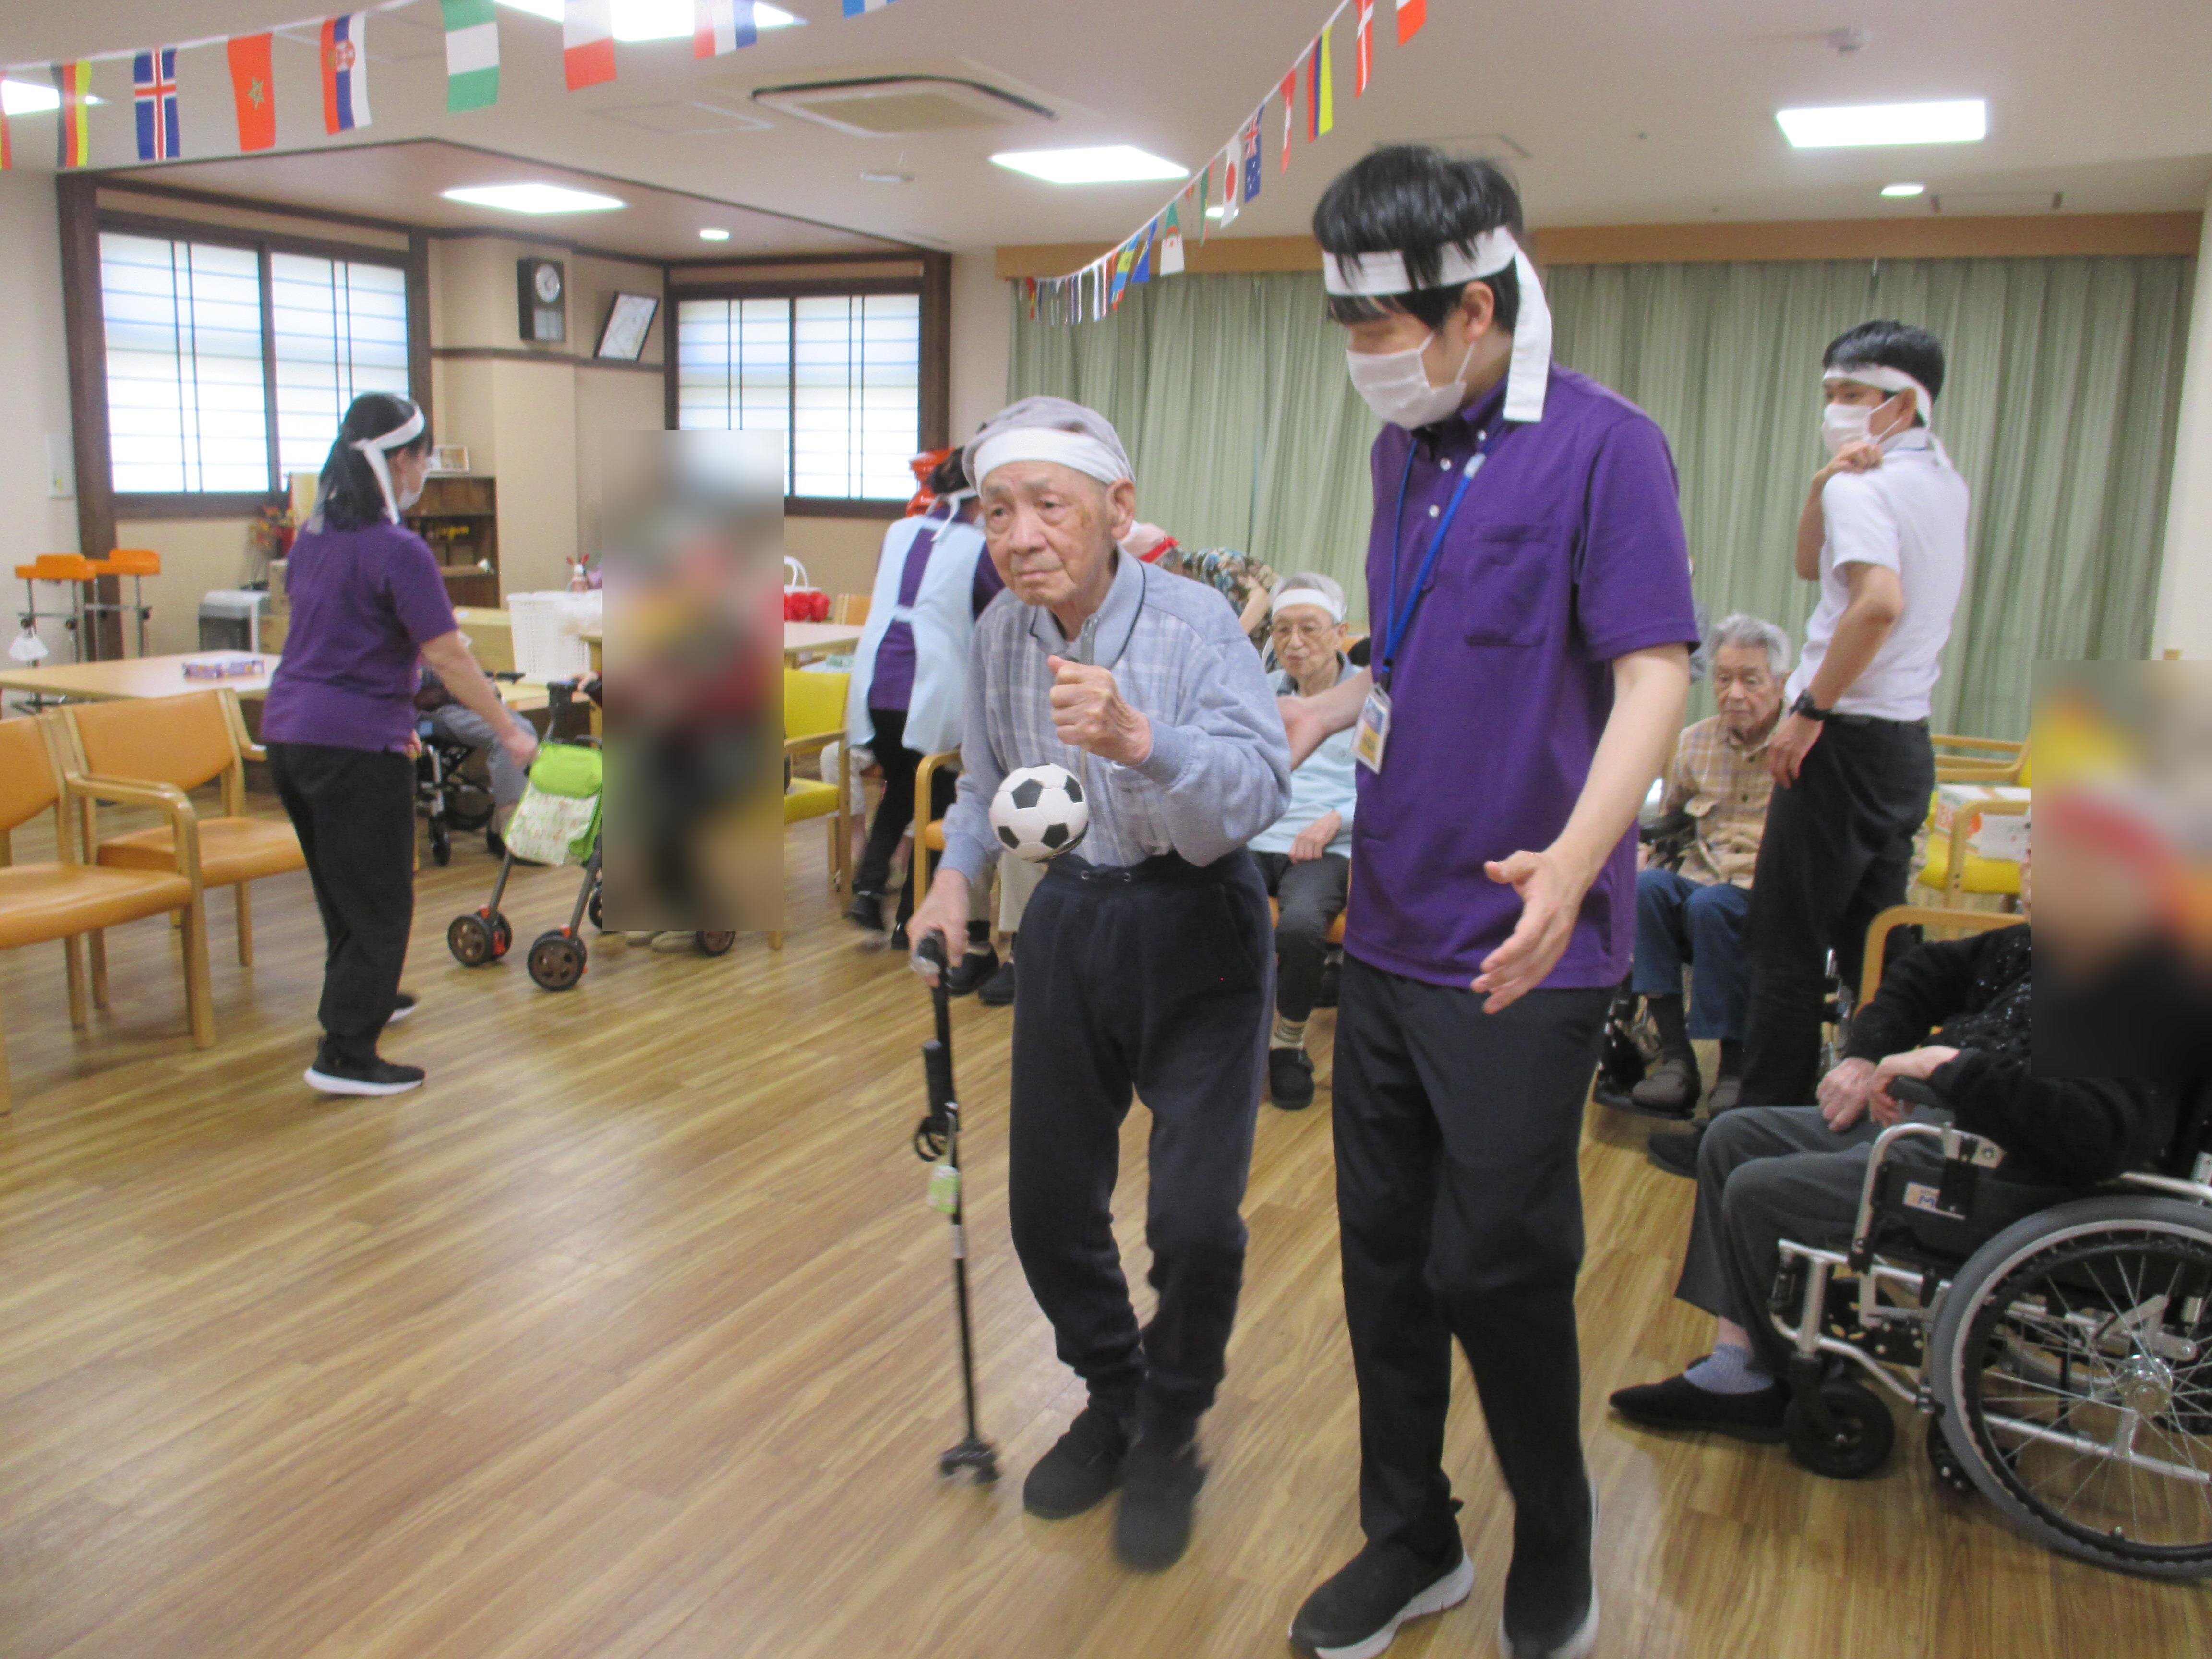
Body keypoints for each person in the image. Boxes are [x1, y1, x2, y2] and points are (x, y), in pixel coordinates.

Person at [1277, 149, 1697, 1659]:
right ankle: (1415, 1536)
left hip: (1529, 939)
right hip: (1390, 916)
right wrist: (1338, 706)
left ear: (1473, 308)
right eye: (1344, 324)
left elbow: (1653, 675)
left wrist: (1578, 863)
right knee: (1384, 1258)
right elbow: (1428, 642)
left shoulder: (1607, 446)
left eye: (1378, 327)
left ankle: (1558, 1529)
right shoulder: (1403, 453)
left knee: (1496, 1261)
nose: (1360, 355)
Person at [907, 395, 1290, 1573]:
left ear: (1118, 509)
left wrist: (1140, 741)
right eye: (996, 510)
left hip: (1200, 920)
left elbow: (1260, 787)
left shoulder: (1196, 624)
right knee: (1045, 1205)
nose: (1018, 535)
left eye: (1048, 505)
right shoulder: (1000, 630)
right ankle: (1118, 1394)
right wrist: (955, 881)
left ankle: (1172, 1425)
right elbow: (985, 784)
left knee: (1193, 1221)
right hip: (1070, 917)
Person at [1608, 897, 2176, 1441]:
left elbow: (2101, 1134)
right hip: (1945, 1127)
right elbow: (1928, 970)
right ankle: (1741, 1366)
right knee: (1735, 1140)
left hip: (2013, 1178)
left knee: (1759, 1188)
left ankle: (1774, 1376)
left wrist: (1952, 1068)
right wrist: (1866, 1054)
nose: (2031, 862)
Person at [262, 393, 538, 1096]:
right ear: (401, 462)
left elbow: (341, 635)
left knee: (343, 888)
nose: (425, 472)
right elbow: (446, 656)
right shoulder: (399, 550)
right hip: (353, 744)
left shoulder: (314, 539)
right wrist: (507, 728)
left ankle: (364, 998)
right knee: (382, 899)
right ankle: (346, 1053)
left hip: (290, 735)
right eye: (423, 459)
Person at [1735, 322, 1970, 1113]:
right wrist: (1819, 485)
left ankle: (1760, 1121)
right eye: (1829, 392)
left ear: (1900, 404)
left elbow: (1876, 605)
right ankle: (1877, 1100)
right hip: (1903, 745)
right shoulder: (1942, 482)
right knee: (1878, 940)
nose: (1834, 408)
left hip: (1840, 740)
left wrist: (1809, 709)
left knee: (1784, 940)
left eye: (1852, 394)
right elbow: (1812, 564)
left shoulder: (1866, 489)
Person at [845, 448, 1004, 976]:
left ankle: (869, 890)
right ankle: (911, 918)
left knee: (901, 785)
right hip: (928, 686)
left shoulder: (899, 531)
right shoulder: (978, 547)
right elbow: (998, 610)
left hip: (875, 682)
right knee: (940, 796)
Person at [1624, 613, 1789, 1118]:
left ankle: (1734, 1068)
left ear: (1781, 682)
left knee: (1711, 907)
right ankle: (1677, 1060)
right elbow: (1672, 818)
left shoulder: (1800, 743)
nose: (1734, 693)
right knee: (1647, 889)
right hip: (1703, 879)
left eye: (1751, 680)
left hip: (1767, 891)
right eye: (1723, 678)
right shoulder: (1695, 742)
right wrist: (1643, 849)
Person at [1248, 573, 1359, 1110]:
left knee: (1300, 927)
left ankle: (1287, 1044)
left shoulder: (1373, 698)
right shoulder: (1261, 690)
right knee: (1200, 905)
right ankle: (1224, 1031)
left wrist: (1337, 819)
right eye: (1282, 629)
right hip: (1258, 834)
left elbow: (1399, 786)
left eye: (1309, 629)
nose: (1294, 642)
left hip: (1328, 842)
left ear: (1340, 632)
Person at [415, 661, 529, 850]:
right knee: (509, 738)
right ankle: (511, 835)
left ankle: (502, 828)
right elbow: (416, 698)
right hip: (435, 712)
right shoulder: (412, 653)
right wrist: (459, 691)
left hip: (466, 703)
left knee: (526, 732)